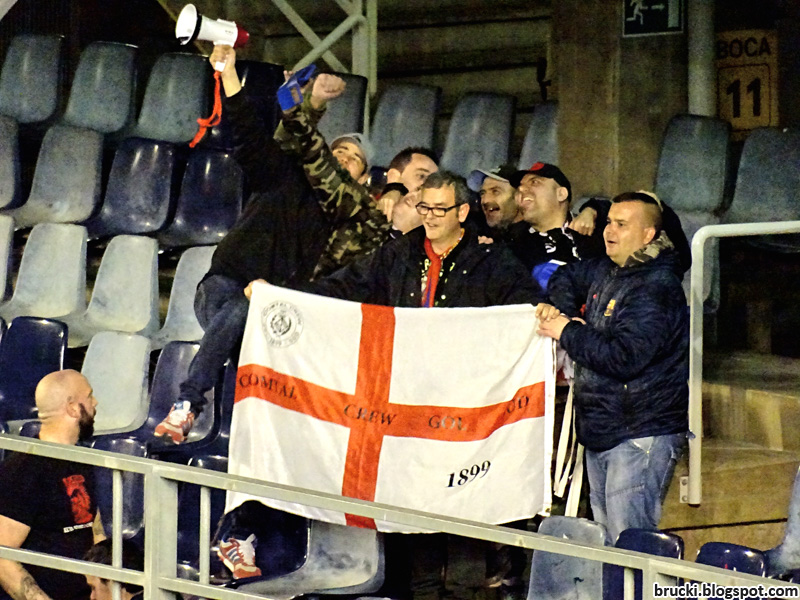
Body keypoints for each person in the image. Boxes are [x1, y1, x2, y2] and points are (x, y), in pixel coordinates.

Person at [154, 45, 395, 444]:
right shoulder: (282, 174)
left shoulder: (354, 213)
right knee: (239, 308)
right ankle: (193, 406)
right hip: (222, 286)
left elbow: (338, 279)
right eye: (337, 150)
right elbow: (249, 134)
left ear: (364, 178)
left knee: (248, 316)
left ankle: (198, 412)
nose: (341, 158)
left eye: (352, 159)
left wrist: (306, 107)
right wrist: (230, 75)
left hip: (281, 308)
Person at [535, 191, 689, 543]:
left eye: (621, 224)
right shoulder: (607, 269)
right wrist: (563, 311)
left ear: (648, 234)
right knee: (607, 544)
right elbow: (565, 276)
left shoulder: (656, 287)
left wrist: (567, 331)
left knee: (630, 545)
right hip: (603, 429)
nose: (609, 231)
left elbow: (624, 357)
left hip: (639, 433)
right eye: (608, 222)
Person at [0, 370, 103, 600]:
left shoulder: (82, 460)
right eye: (89, 396)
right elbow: (2, 556)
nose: (95, 402)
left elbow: (93, 527)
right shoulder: (22, 470)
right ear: (73, 408)